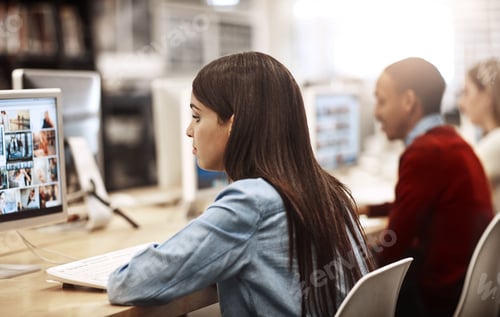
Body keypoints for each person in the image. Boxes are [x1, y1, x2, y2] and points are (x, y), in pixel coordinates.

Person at [107, 51, 375, 316]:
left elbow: (128, 283)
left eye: (197, 117)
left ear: (233, 125)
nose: (189, 130)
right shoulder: (330, 191)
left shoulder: (251, 202)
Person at [359, 57, 494, 317]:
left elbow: (393, 248)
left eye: (382, 101)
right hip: (466, 289)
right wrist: (369, 209)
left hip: (437, 299)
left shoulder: (424, 153)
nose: (376, 113)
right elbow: (422, 205)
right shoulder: (452, 142)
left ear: (409, 102)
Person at [458, 58, 500, 213]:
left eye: (466, 92)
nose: (461, 103)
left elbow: (457, 185)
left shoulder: (497, 142)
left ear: (487, 95)